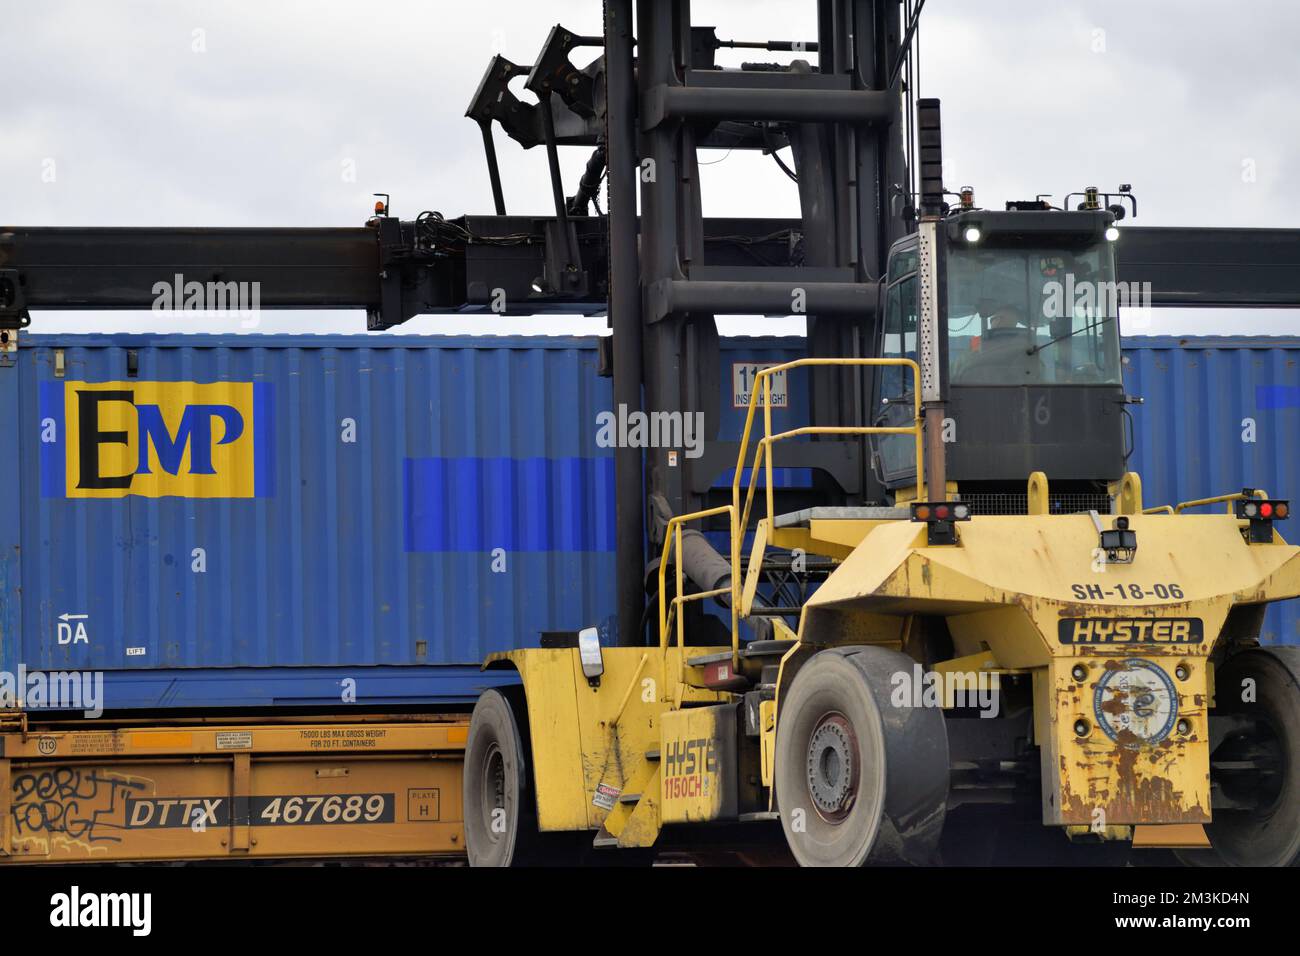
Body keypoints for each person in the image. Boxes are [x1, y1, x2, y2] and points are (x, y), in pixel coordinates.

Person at [951, 302, 1045, 384]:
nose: (993, 321)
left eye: (994, 318)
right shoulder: (1027, 343)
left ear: (997, 320)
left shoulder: (977, 342)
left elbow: (959, 368)